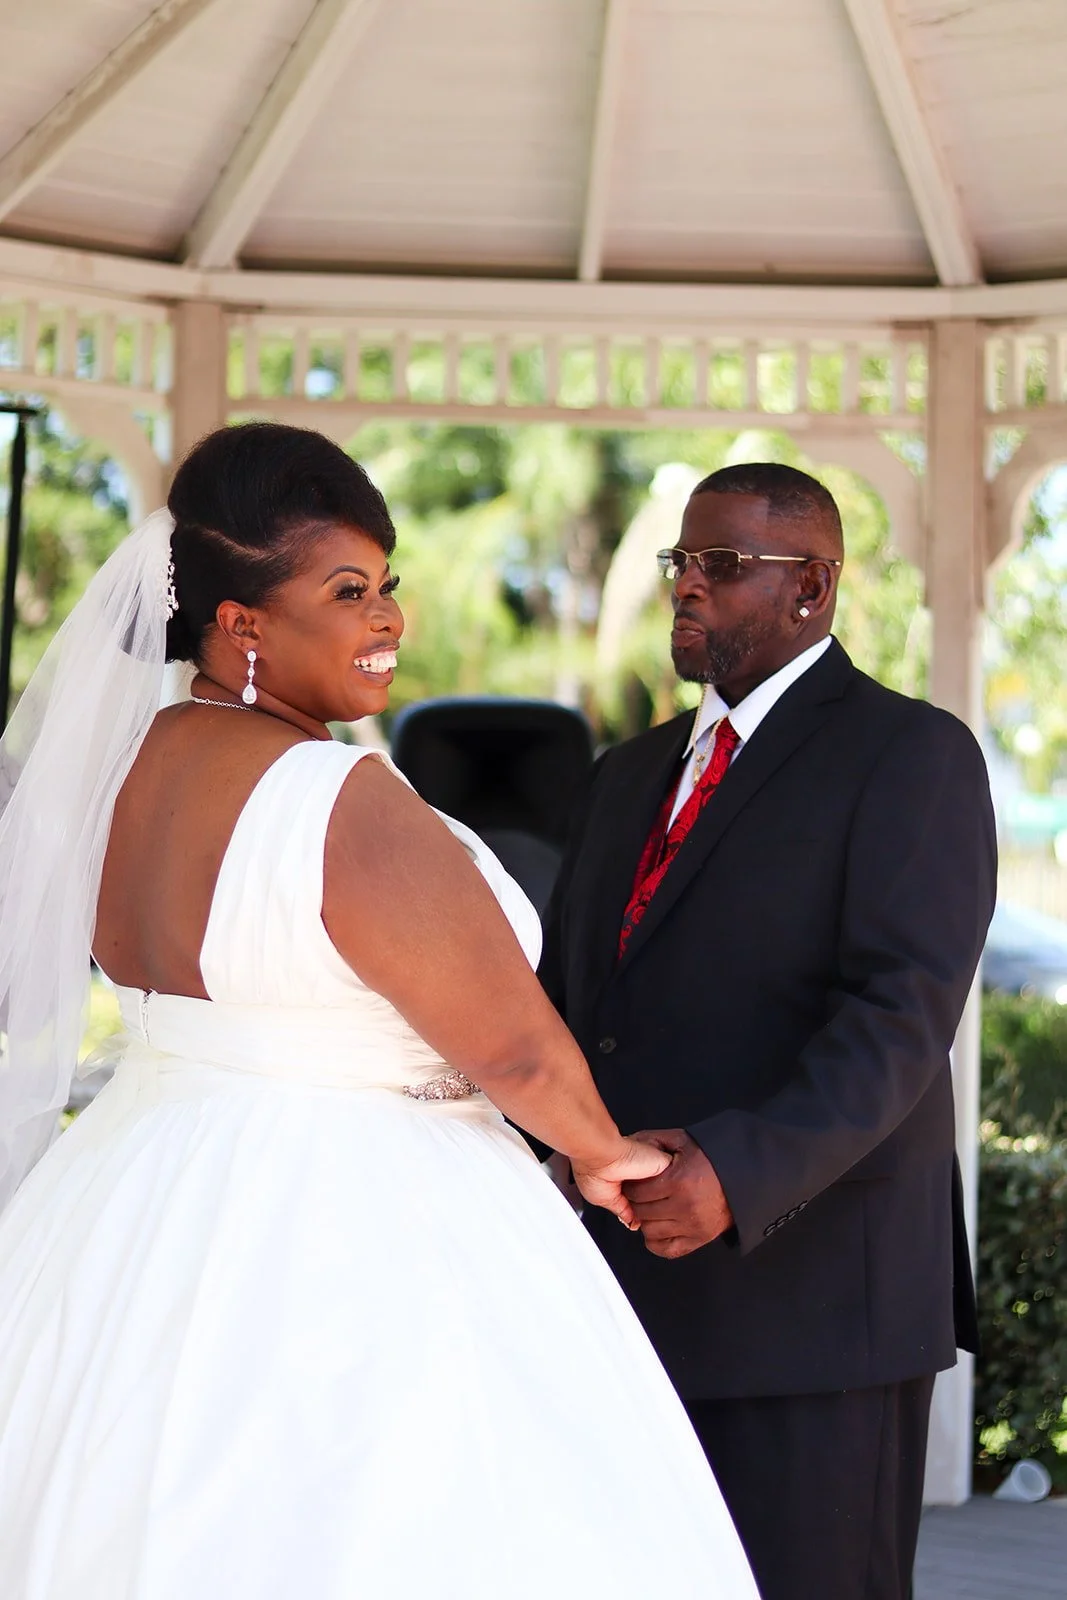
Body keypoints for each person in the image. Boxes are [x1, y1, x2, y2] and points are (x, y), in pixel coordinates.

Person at [0, 425, 759, 1599]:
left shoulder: (118, 770)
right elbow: (507, 1040)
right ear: (241, 623)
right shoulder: (336, 795)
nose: (388, 618)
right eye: (347, 591)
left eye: (387, 585)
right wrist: (606, 1156)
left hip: (132, 1195)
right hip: (352, 1226)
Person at [539, 463, 997, 1600]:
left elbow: (898, 1019)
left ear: (812, 587)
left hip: (813, 1306)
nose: (687, 588)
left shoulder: (910, 756)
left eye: (723, 565)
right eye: (681, 564)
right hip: (621, 1293)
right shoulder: (623, 773)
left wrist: (737, 1174)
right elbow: (570, 1004)